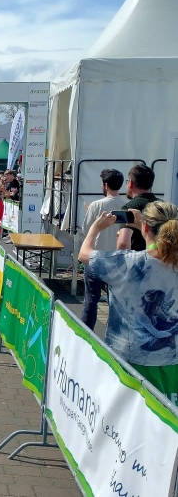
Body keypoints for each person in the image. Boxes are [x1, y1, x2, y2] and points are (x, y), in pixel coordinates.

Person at [78, 202, 178, 401]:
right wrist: (144, 228)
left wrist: (95, 228)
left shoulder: (128, 263)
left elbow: (84, 254)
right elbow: (158, 253)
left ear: (146, 227)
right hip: (171, 360)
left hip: (128, 361)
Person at [79, 169, 127, 330]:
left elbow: (87, 230)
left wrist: (90, 212)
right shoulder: (127, 205)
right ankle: (113, 334)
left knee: (91, 300)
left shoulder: (96, 205)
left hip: (96, 258)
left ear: (105, 185)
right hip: (119, 259)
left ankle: (86, 333)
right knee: (116, 302)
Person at [116, 164, 157, 252]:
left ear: (130, 183)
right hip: (164, 258)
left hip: (140, 259)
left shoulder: (131, 208)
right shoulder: (165, 206)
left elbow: (123, 243)